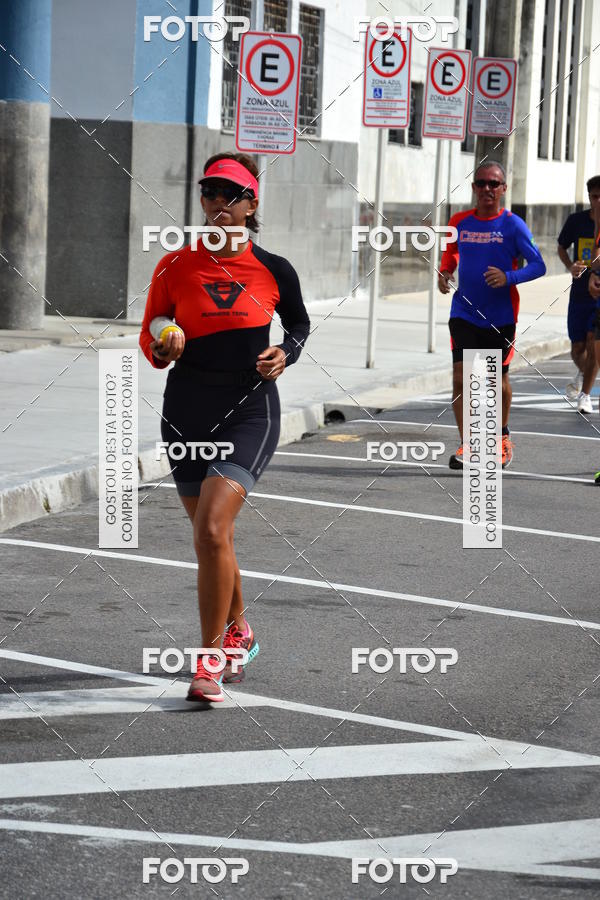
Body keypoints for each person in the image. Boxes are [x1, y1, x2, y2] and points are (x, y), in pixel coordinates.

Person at [139, 152, 310, 701]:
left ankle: (209, 660)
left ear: (251, 204)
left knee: (213, 529)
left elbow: (299, 326)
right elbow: (153, 330)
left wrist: (285, 351)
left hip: (249, 409)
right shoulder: (174, 265)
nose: (218, 203)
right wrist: (166, 340)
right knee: (211, 538)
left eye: (230, 194)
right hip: (186, 408)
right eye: (210, 193)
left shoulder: (275, 267)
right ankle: (239, 630)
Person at [438, 161, 546, 469]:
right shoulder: (459, 221)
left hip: (500, 315)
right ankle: (468, 445)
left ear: (503, 189)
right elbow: (451, 252)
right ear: (473, 188)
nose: (487, 189)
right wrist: (445, 271)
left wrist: (508, 278)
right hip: (463, 312)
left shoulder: (513, 225)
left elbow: (539, 265)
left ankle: (500, 437)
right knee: (461, 378)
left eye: (494, 184)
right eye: (482, 183)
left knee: (497, 381)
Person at [557, 175, 600, 413]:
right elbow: (561, 247)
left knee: (594, 342)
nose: (599, 201)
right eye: (595, 196)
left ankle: (585, 395)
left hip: (599, 295)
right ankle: (586, 375)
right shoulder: (576, 221)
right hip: (579, 292)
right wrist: (569, 265)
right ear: (589, 197)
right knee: (577, 349)